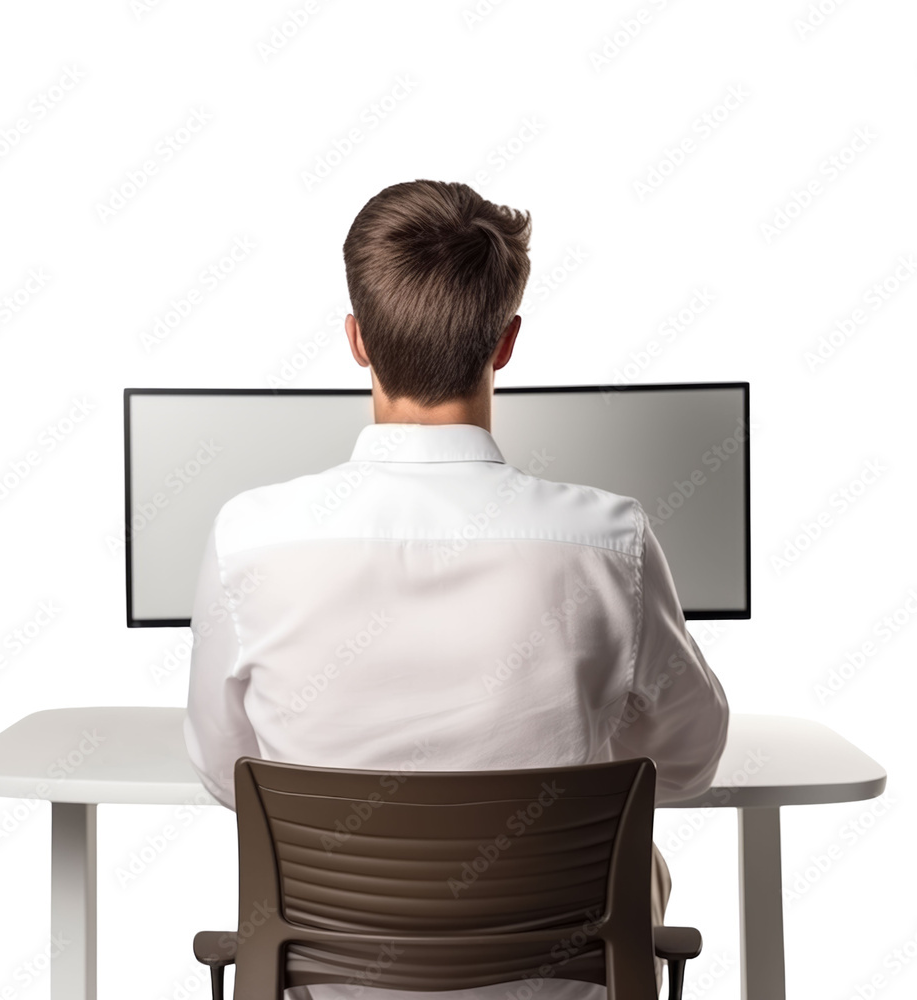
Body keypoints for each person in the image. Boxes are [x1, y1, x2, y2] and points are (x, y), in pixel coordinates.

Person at [183, 179, 729, 1000]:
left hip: (333, 985)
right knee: (635, 856)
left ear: (357, 341)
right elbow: (692, 762)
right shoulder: (609, 538)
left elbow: (227, 775)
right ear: (505, 343)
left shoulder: (249, 535)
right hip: (558, 984)